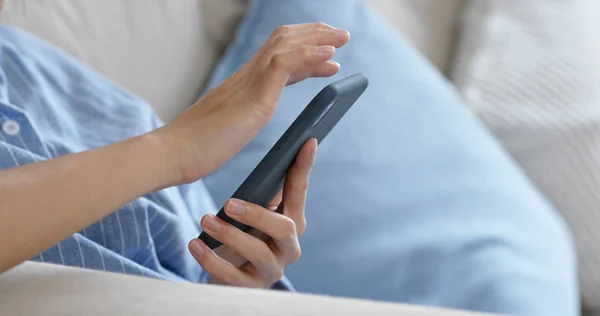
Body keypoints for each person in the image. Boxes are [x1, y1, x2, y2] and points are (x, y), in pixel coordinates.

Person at [0, 0, 579, 314]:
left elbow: (182, 266)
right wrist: (172, 149)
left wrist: (239, 281)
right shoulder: (142, 134)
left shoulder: (47, 74)